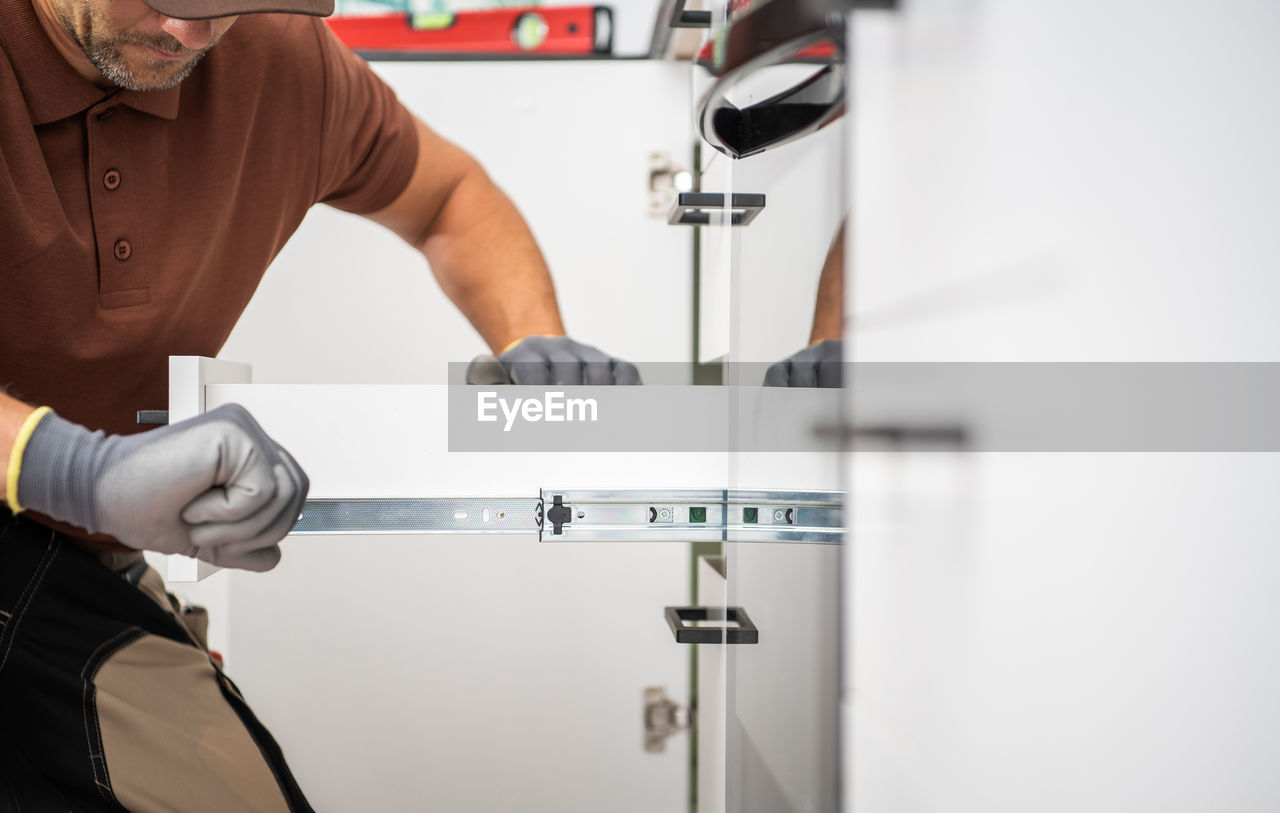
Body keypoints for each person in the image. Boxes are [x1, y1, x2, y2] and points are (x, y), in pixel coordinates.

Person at [0, 0, 635, 805]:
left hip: (72, 560)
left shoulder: (278, 60)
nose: (195, 36)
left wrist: (532, 339)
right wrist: (77, 469)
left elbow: (448, 200)